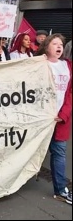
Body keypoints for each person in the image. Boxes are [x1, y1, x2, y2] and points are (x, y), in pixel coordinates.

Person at [36, 33, 72, 205]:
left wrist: (63, 114)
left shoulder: (68, 66)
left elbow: (70, 94)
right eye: (55, 43)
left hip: (60, 121)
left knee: (59, 154)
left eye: (61, 44)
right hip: (40, 119)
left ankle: (60, 190)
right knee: (31, 150)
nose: (59, 46)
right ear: (46, 47)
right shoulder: (38, 65)